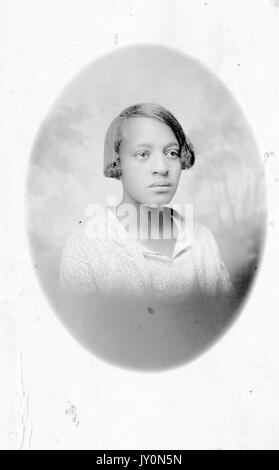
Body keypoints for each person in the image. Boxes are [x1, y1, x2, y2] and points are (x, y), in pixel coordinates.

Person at [60, 103, 236, 310]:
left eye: (171, 153)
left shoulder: (202, 240)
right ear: (118, 162)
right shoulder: (85, 247)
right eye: (142, 154)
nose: (162, 168)